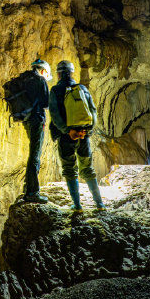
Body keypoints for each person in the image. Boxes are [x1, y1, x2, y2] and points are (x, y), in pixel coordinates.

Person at [49, 60, 105, 211]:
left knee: (69, 168)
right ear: (72, 73)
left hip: (67, 136)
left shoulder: (55, 90)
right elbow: (93, 111)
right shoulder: (82, 88)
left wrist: (67, 131)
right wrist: (87, 131)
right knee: (87, 168)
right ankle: (99, 204)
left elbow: (55, 115)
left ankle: (77, 205)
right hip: (83, 135)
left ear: (59, 74)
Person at [22, 58, 52, 203]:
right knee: (35, 155)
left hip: (26, 120)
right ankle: (32, 192)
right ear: (43, 70)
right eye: (46, 73)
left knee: (32, 153)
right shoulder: (40, 80)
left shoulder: (24, 79)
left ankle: (28, 187)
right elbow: (46, 103)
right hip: (37, 120)